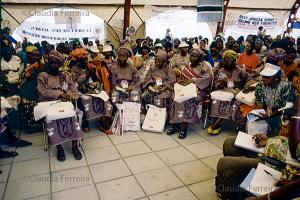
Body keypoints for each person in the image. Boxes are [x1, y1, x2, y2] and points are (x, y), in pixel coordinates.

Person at [37, 51, 83, 162]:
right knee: (52, 120)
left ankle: (74, 146)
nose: (53, 65)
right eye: (51, 63)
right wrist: (59, 94)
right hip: (49, 104)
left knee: (73, 117)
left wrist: (68, 95)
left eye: (56, 63)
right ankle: (59, 148)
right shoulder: (43, 76)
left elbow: (74, 91)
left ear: (60, 65)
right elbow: (42, 92)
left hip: (64, 104)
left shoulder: (65, 76)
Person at [168, 48, 212, 139]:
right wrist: (183, 82)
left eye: (195, 56)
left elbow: (207, 79)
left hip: (199, 91)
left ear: (200, 57)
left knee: (187, 100)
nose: (192, 58)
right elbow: (182, 78)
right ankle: (175, 125)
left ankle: (184, 127)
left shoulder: (205, 67)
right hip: (186, 89)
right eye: (191, 56)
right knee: (174, 98)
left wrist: (192, 81)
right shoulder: (188, 66)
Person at [208, 50, 248, 135]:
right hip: (224, 91)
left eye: (231, 59)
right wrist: (221, 83)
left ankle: (216, 124)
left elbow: (247, 83)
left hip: (237, 92)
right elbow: (216, 85)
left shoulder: (240, 71)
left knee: (230, 102)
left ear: (235, 60)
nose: (228, 61)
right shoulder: (221, 70)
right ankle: (217, 123)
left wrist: (241, 90)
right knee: (215, 101)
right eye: (226, 59)